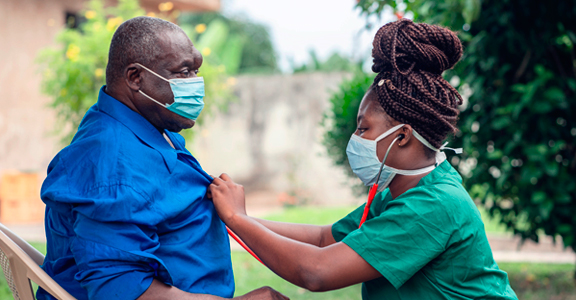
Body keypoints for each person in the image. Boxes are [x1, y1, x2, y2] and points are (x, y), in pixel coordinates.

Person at [208, 19, 518, 299]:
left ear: (402, 136)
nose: (355, 139)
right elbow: (322, 238)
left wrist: (237, 219)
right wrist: (235, 219)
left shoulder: (433, 205)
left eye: (363, 128)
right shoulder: (401, 191)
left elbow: (316, 271)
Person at [37, 16, 287, 300]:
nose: (195, 84)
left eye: (195, 71)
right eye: (182, 73)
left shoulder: (144, 129)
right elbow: (118, 288)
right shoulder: (114, 163)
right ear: (135, 77)